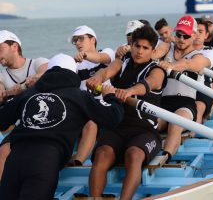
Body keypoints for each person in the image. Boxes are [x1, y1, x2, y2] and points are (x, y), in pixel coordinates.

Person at [0, 53, 124, 200]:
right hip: (45, 160)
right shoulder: (79, 95)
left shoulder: (28, 94)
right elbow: (113, 117)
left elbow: (2, 121)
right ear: (74, 73)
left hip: (15, 159)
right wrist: (110, 96)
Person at [87, 25, 167, 200]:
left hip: (146, 131)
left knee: (134, 154)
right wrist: (97, 79)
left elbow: (151, 83)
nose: (139, 51)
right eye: (137, 46)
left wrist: (131, 91)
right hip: (119, 127)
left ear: (153, 51)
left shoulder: (157, 70)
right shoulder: (121, 63)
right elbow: (106, 71)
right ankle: (95, 197)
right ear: (131, 46)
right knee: (101, 154)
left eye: (145, 48)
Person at [158, 15, 209, 160]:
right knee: (151, 123)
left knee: (175, 122)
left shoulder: (198, 56)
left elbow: (187, 64)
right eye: (178, 34)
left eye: (186, 36)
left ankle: (165, 157)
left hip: (186, 105)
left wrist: (171, 66)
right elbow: (155, 52)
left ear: (194, 36)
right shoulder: (167, 48)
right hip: (163, 103)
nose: (181, 39)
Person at [0, 30, 48, 180]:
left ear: (14, 46)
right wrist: (7, 92)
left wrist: (23, 86)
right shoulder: (1, 76)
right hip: (19, 127)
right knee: (3, 152)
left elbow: (45, 72)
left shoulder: (37, 62)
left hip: (43, 123)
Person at [68, 25, 115, 166]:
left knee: (91, 123)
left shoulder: (107, 52)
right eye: (75, 41)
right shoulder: (74, 65)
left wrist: (85, 56)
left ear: (93, 39)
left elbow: (101, 58)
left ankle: (78, 161)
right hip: (85, 108)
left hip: (105, 105)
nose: (77, 43)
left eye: (80, 39)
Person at [193, 18, 213, 123]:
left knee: (198, 109)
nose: (197, 35)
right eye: (194, 31)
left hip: (202, 90)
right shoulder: (178, 49)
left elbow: (198, 64)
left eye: (200, 32)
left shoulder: (210, 51)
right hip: (181, 90)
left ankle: (190, 135)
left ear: (206, 35)